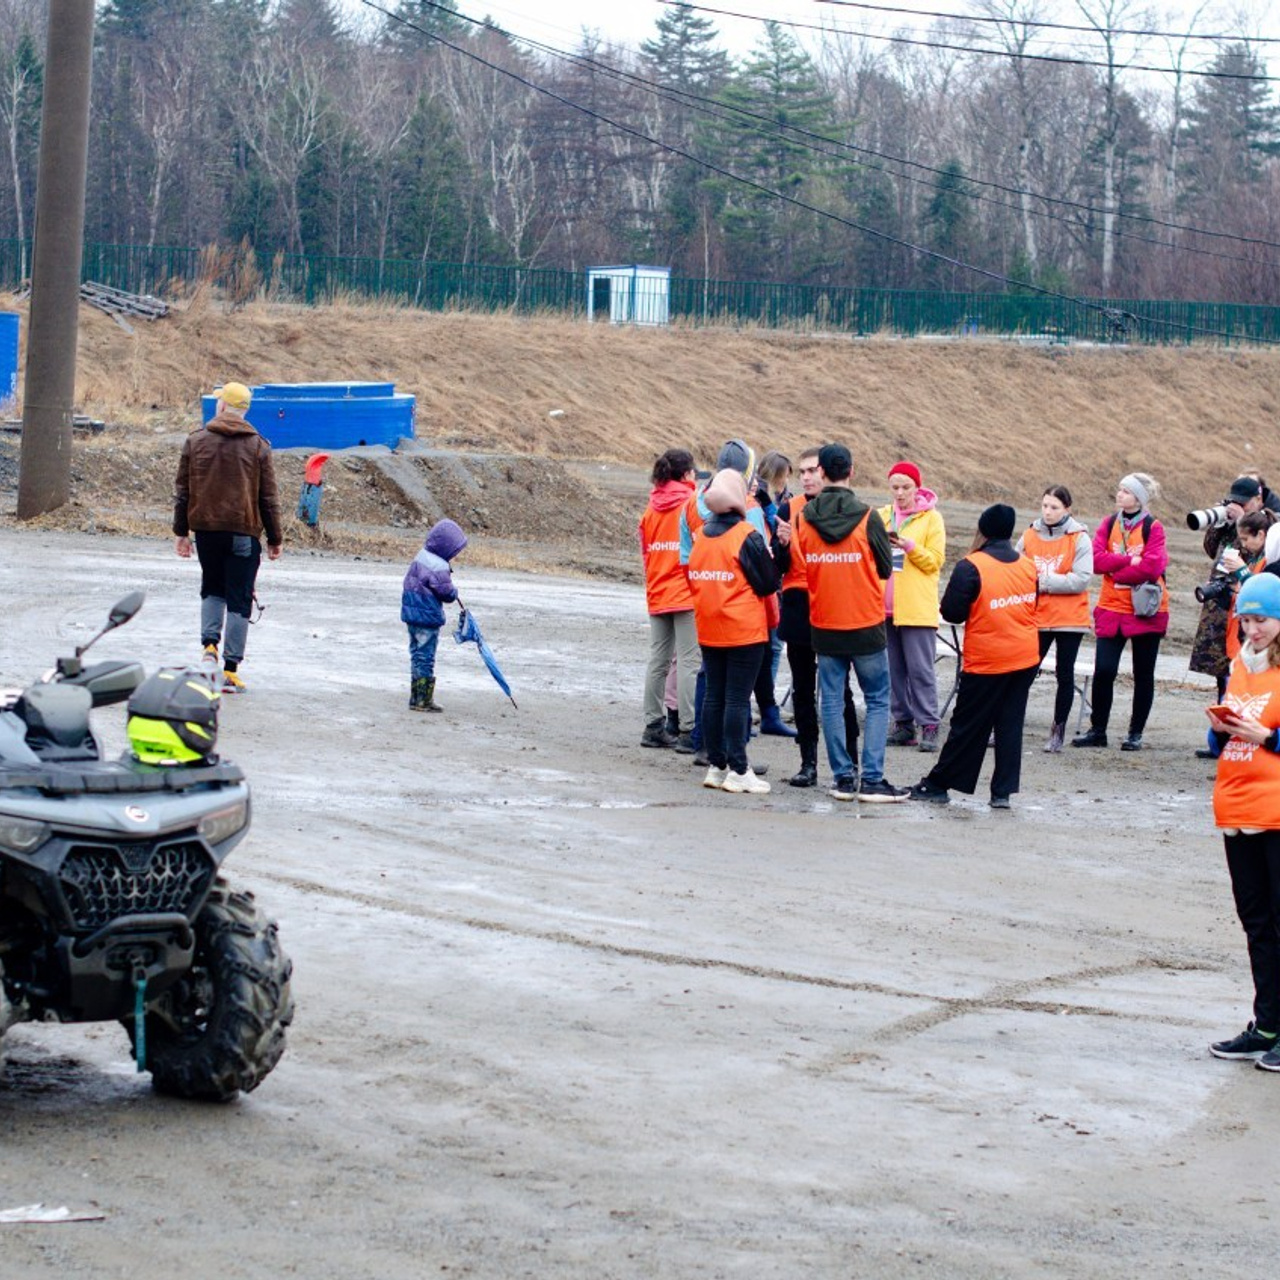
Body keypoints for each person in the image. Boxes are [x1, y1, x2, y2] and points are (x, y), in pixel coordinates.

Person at [792, 443, 907, 803]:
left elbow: (806, 565)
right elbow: (887, 568)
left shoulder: (804, 517)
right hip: (864, 620)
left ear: (821, 473)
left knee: (830, 699)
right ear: (851, 471)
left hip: (824, 619)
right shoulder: (869, 516)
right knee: (876, 699)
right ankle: (872, 778)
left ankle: (843, 777)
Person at [908, 505, 1039, 809]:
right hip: (1025, 656)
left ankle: (940, 783)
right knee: (1009, 723)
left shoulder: (972, 565)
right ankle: (1002, 792)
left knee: (968, 724)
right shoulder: (1028, 565)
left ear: (982, 529)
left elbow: (952, 612)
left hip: (989, 659)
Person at [1204, 575, 1280, 1070]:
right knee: (1256, 923)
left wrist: (1269, 738)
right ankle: (1268, 1023)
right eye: (1246, 621)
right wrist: (1218, 730)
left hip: (1275, 809)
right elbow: (1222, 747)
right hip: (1236, 806)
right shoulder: (1240, 664)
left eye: (1262, 620)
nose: (1252, 630)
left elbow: (1266, 736)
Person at [173, 380, 282, 693]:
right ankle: (231, 671)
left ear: (222, 406)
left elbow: (183, 492)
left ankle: (209, 647)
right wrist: (275, 538)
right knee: (239, 597)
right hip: (243, 534)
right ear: (244, 409)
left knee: (212, 587)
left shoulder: (195, 441)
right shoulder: (259, 446)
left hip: (206, 532)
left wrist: (182, 532)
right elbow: (268, 498)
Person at [686, 469, 778, 795]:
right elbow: (768, 582)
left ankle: (717, 764)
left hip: (709, 627)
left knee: (715, 696)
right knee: (738, 699)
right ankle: (739, 769)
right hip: (743, 629)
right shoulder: (746, 534)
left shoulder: (701, 536)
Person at [773, 446, 860, 788]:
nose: (807, 477)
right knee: (803, 689)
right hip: (798, 603)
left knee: (840, 690)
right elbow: (779, 569)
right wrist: (780, 545)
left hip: (835, 604)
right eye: (802, 472)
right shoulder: (788, 508)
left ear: (825, 473)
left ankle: (850, 762)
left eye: (813, 471)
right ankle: (808, 763)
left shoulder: (847, 510)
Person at [1072, 472, 1168, 752]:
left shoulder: (1154, 527)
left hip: (1145, 610)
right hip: (1112, 608)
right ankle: (1098, 730)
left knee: (1143, 675)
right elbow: (1096, 560)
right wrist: (1128, 560)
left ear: (1139, 497)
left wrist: (1118, 571)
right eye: (1120, 490)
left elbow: (1152, 567)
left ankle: (1135, 733)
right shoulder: (1109, 523)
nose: (1119, 494)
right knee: (1104, 671)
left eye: (1125, 491)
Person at [1016, 485, 1093, 753]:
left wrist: (1043, 582)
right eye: (1045, 506)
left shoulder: (1079, 538)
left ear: (1067, 510)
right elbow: (1016, 569)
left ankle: (1058, 730)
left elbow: (1081, 579)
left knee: (1064, 673)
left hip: (1069, 618)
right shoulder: (1028, 535)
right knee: (1023, 673)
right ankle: (1008, 725)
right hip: (1035, 616)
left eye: (1054, 507)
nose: (1048, 512)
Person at [878, 460, 945, 752]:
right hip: (884, 607)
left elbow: (935, 561)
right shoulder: (881, 516)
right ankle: (903, 723)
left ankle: (929, 723)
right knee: (893, 670)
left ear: (917, 487)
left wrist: (909, 547)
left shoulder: (932, 519)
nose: (900, 493)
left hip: (916, 608)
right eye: (895, 487)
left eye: (906, 487)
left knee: (920, 670)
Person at [638, 449, 699, 749]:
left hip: (658, 590)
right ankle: (688, 729)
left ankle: (652, 725)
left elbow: (646, 552)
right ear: (687, 474)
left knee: (658, 661)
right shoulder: (691, 504)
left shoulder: (651, 507)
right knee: (689, 661)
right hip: (686, 592)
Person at [1190, 476, 1268, 705]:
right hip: (1219, 603)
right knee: (1221, 670)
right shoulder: (1227, 524)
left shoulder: (1267, 525)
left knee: (1245, 669)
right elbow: (1210, 548)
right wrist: (1220, 522)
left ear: (1258, 499)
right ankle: (1224, 718)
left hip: (1246, 607)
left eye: (1243, 503)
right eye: (1235, 502)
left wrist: (1242, 522)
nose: (1238, 507)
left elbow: (1260, 554)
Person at [400, 518, 468, 712]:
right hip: (427, 619)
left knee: (417, 654)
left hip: (411, 616)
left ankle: (416, 697)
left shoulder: (421, 557)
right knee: (426, 657)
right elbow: (446, 593)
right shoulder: (439, 566)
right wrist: (454, 592)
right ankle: (423, 699)